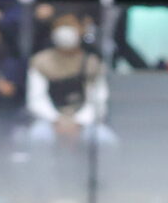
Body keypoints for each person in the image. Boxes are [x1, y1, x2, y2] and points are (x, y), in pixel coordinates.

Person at [24, 16, 107, 147]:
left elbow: (98, 100)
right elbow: (36, 99)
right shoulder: (40, 61)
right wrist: (57, 121)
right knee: (38, 137)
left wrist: (78, 122)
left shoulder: (92, 63)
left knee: (105, 141)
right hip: (49, 120)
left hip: (84, 120)